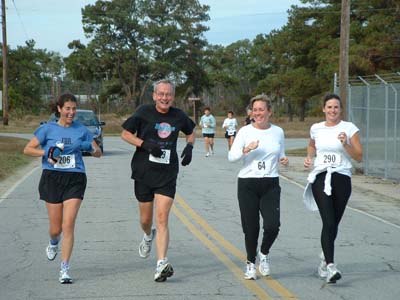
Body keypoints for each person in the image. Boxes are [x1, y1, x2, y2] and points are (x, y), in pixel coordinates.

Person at [121, 79, 196, 282]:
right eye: (161, 94)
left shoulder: (178, 115)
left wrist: (190, 147)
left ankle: (161, 263)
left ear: (173, 96)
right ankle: (147, 235)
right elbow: (125, 134)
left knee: (162, 218)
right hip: (143, 172)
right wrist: (145, 145)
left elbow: (190, 132)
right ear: (154, 96)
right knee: (146, 220)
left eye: (168, 94)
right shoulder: (143, 112)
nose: (165, 98)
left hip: (167, 174)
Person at [23, 93, 102, 284]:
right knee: (55, 228)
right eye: (67, 108)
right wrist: (47, 152)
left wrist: (92, 148)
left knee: (68, 225)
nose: (71, 112)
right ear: (59, 109)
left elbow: (98, 152)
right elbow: (27, 149)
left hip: (75, 177)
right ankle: (53, 242)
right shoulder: (46, 129)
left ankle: (64, 269)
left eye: (74, 108)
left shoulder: (81, 129)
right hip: (52, 178)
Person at [303, 93, 362, 284]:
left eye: (336, 107)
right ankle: (330, 266)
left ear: (340, 110)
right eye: (329, 107)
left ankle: (323, 258)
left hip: (342, 178)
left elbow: (359, 156)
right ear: (323, 109)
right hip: (321, 177)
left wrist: (345, 144)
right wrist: (310, 158)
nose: (332, 110)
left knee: (333, 223)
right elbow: (312, 146)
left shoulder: (349, 128)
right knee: (328, 220)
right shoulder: (316, 128)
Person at [228, 94, 288, 280]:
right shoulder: (245, 132)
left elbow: (281, 153)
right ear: (251, 112)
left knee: (273, 225)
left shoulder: (278, 132)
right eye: (255, 110)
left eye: (261, 109)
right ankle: (250, 263)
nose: (258, 113)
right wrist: (246, 150)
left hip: (270, 182)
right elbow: (232, 157)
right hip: (248, 183)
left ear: (269, 111)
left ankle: (263, 253)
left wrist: (283, 160)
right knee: (251, 227)